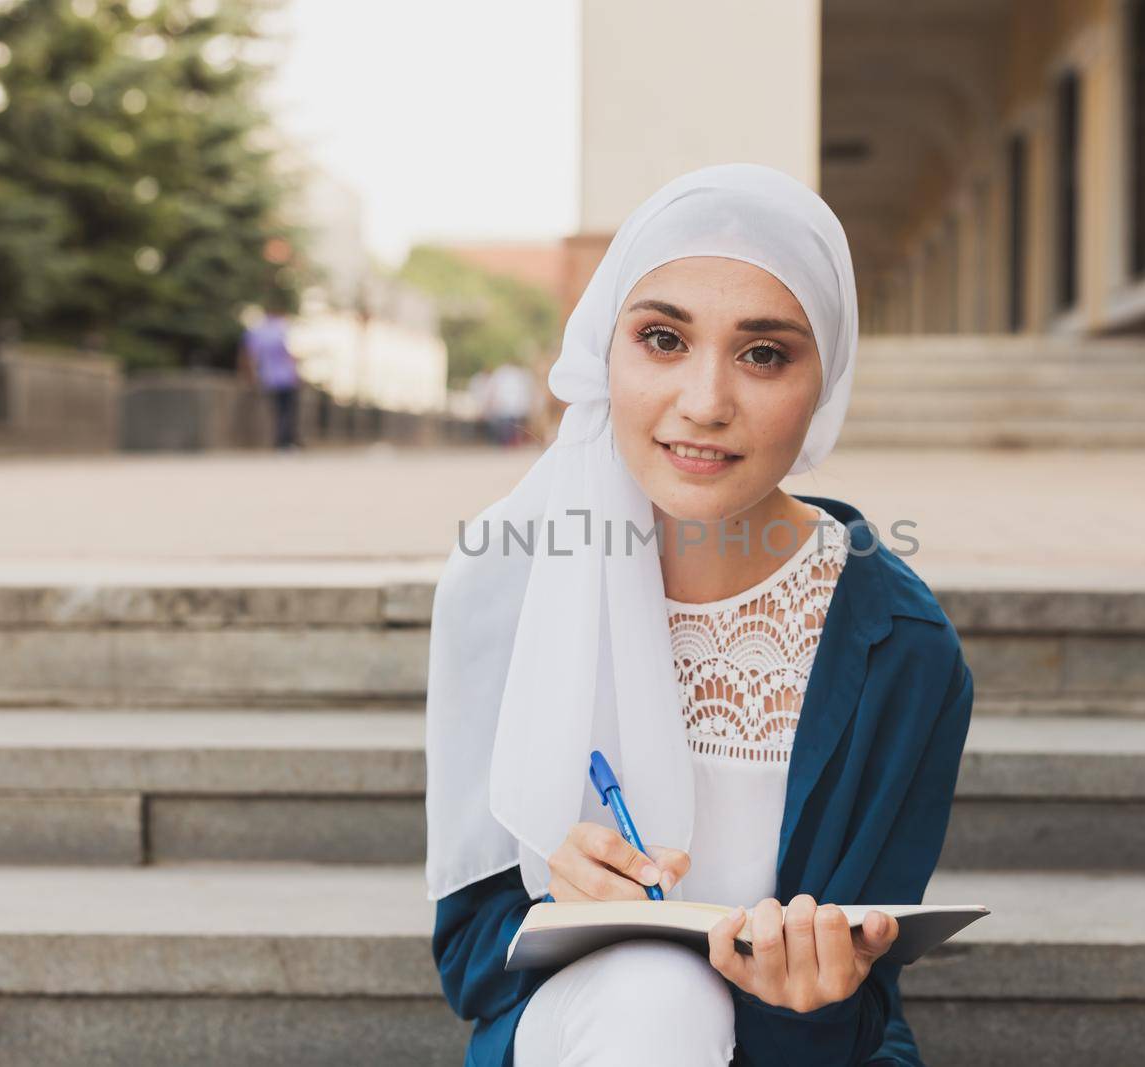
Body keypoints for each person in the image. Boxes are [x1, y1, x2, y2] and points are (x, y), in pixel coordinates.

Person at [425, 163, 975, 1066]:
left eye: (764, 353)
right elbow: (469, 963)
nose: (707, 403)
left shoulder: (900, 648)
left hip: (804, 1053)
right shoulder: (508, 591)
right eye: (662, 339)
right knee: (654, 995)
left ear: (825, 379)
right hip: (588, 1033)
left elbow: (865, 998)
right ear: (607, 351)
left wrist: (805, 999)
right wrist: (556, 907)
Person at [238, 301, 302, 450]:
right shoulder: (281, 327)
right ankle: (284, 442)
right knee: (287, 410)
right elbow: (290, 353)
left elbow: (248, 355)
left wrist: (250, 375)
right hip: (286, 377)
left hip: (268, 377)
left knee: (278, 410)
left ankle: (284, 440)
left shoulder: (256, 331)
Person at [483, 361, 536, 446]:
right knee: (508, 425)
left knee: (510, 424)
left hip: (510, 405)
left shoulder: (505, 373)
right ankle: (508, 442)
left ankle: (509, 442)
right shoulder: (509, 373)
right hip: (507, 404)